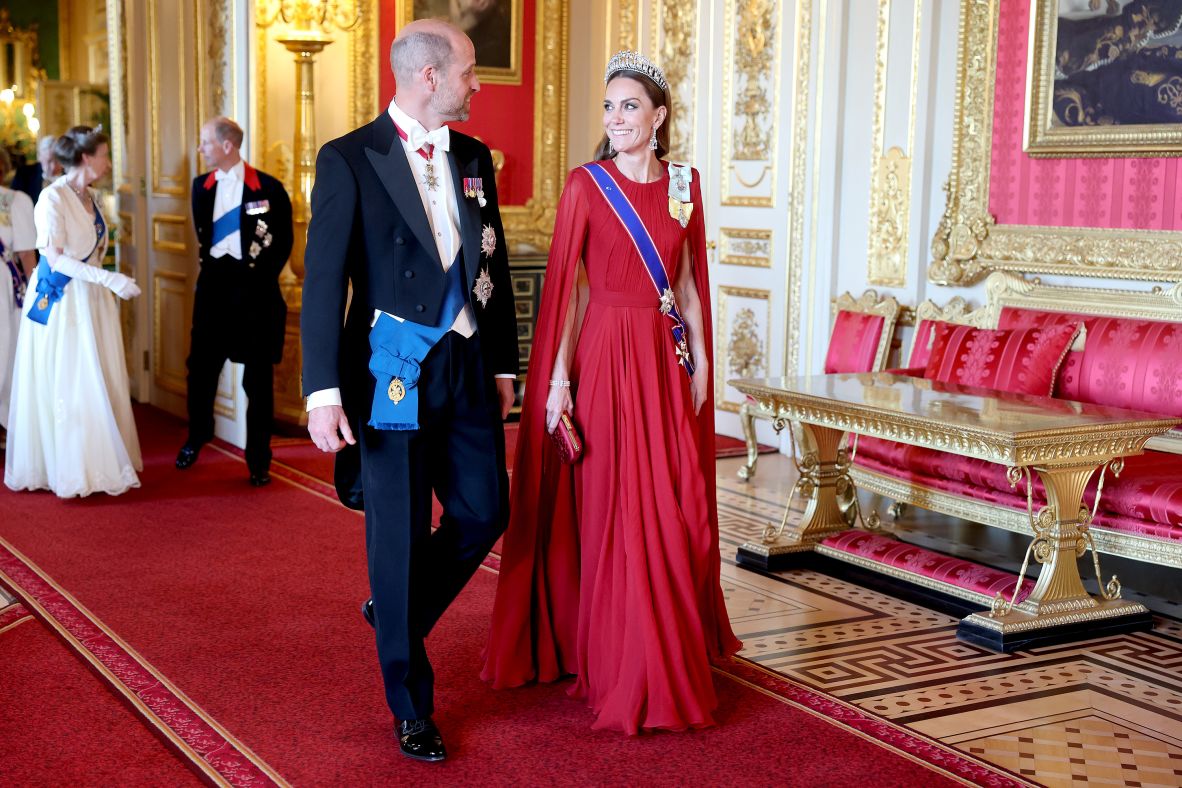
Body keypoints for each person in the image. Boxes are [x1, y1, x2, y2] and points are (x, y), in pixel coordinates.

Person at [481, 50, 741, 734]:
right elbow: (570, 292)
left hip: (663, 357)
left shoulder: (685, 184)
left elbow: (687, 282)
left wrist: (703, 360)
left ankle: (666, 645)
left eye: (629, 106)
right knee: (614, 505)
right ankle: (619, 656)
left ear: (658, 117)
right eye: (608, 107)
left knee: (674, 502)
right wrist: (557, 380)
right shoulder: (585, 184)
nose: (616, 118)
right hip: (602, 354)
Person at [301, 19, 518, 762]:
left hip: (465, 364)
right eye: (468, 71)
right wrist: (322, 392)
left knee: (486, 511)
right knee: (396, 536)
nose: (476, 84)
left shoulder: (474, 157)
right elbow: (325, 282)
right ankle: (411, 706)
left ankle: (397, 610)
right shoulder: (349, 158)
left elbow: (494, 269)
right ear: (429, 77)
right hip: (390, 372)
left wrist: (502, 365)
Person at [4, 126, 142, 497]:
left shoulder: (92, 196)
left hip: (92, 299)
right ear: (85, 158)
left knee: (99, 375)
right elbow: (56, 260)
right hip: (65, 302)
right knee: (74, 379)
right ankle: (72, 468)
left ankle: (100, 461)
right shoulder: (51, 198)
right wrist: (111, 280)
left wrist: (103, 283)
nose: (108, 163)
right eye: (104, 155)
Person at [174, 117, 293, 486]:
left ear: (227, 146)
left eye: (205, 142)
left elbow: (283, 241)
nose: (200, 149)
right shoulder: (201, 186)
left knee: (257, 382)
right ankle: (198, 435)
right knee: (200, 371)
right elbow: (204, 237)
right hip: (213, 290)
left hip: (255, 293)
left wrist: (257, 278)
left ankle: (258, 459)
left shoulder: (268, 188)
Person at [0, 148, 37, 442]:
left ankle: (5, 419)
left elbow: (26, 253)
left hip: (4, 285)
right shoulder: (15, 200)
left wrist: (35, 290)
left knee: (7, 346)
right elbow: (25, 252)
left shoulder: (15, 201)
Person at [11, 136, 61, 205]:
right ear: (40, 157)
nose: (53, 167)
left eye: (57, 161)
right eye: (48, 161)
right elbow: (14, 202)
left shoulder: (69, 175)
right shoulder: (24, 174)